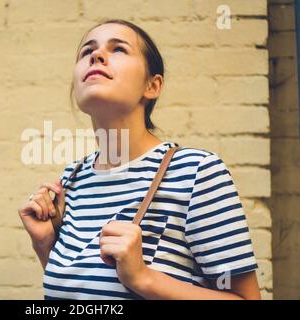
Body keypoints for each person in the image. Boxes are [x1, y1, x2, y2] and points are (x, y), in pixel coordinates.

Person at [18, 19, 261, 300]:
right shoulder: (71, 180)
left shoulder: (196, 173)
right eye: (87, 52)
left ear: (152, 86)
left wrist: (143, 278)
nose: (96, 56)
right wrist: (44, 244)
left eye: (118, 49)